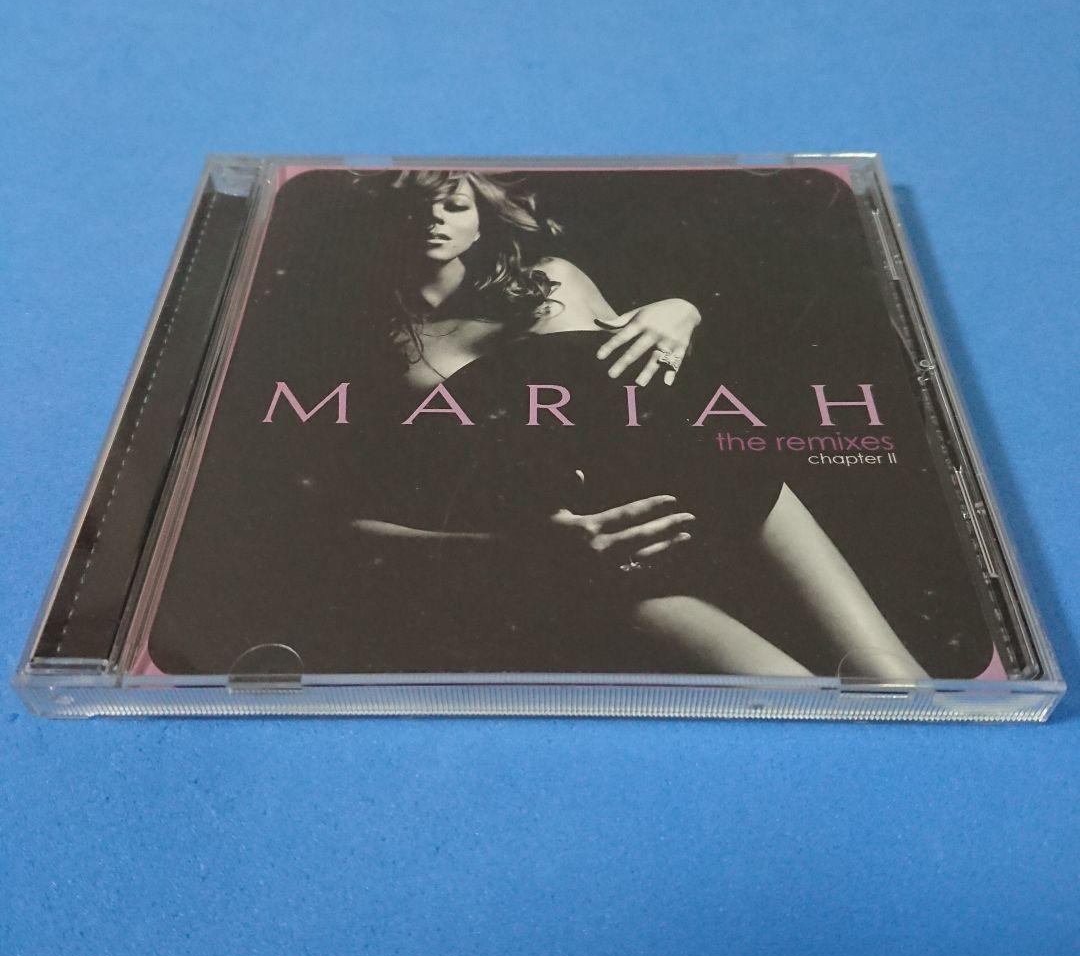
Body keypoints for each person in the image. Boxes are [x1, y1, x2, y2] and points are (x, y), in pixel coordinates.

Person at [348, 170, 927, 681]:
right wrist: (518, 549)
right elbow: (354, 521)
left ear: (482, 221)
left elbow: (642, 361)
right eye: (417, 207)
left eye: (454, 206)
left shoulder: (555, 279)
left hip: (715, 476)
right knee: (787, 691)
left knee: (893, 677)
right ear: (385, 219)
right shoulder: (386, 349)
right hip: (604, 543)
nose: (435, 219)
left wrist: (682, 310)